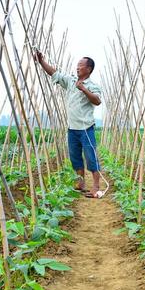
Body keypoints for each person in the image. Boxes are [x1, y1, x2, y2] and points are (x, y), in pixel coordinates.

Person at [33, 50, 103, 198]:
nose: (77, 68)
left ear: (88, 69)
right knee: (75, 157)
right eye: (77, 65)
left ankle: (96, 186)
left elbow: (97, 101)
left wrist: (83, 89)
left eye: (80, 66)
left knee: (91, 156)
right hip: (72, 128)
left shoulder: (92, 85)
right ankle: (80, 183)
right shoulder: (70, 81)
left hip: (86, 128)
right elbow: (54, 74)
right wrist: (41, 62)